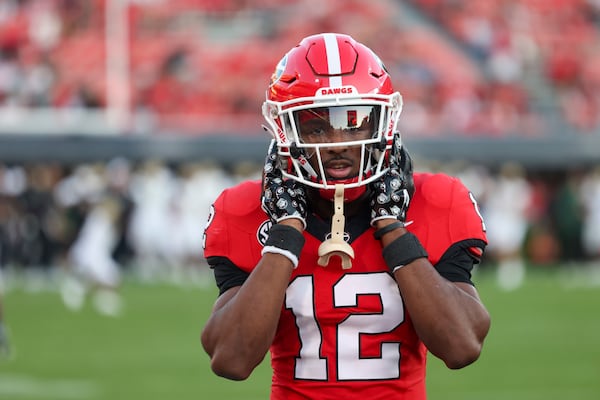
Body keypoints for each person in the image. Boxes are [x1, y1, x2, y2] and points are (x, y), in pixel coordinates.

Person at [201, 33, 491, 399]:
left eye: (354, 123)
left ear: (383, 123)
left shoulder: (436, 199)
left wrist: (392, 226)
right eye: (316, 126)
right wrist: (286, 233)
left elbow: (461, 346)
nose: (338, 143)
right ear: (284, 130)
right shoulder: (245, 208)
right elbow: (231, 360)